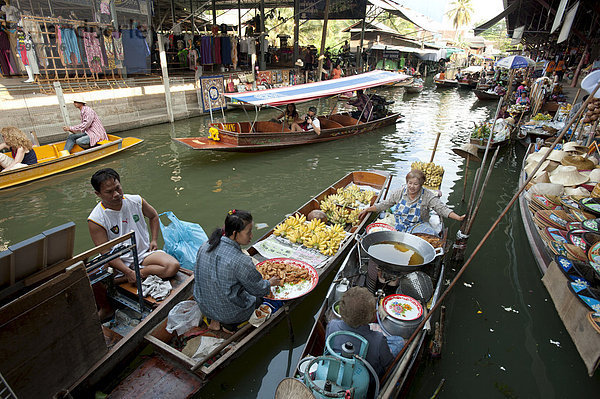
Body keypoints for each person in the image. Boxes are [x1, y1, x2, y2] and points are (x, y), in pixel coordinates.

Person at [88, 168, 180, 285]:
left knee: (173, 266)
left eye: (118, 188)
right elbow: (106, 252)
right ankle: (129, 275)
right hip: (118, 261)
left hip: (142, 254)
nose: (116, 194)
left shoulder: (136, 201)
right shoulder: (96, 219)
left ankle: (133, 275)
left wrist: (154, 240)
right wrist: (126, 271)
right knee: (98, 278)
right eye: (109, 192)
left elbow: (153, 216)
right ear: (98, 194)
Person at [194, 209, 281, 332]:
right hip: (229, 314)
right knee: (263, 298)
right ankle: (229, 325)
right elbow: (259, 289)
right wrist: (270, 282)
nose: (251, 236)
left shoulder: (205, 245)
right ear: (234, 233)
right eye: (248, 232)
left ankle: (214, 320)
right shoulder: (241, 261)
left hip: (205, 307)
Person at [359, 169, 465, 234]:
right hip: (399, 223)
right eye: (410, 183)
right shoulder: (399, 193)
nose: (412, 187)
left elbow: (442, 209)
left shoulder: (427, 195)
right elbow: (384, 204)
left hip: (418, 225)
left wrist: (458, 218)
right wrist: (368, 209)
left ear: (421, 184)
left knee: (431, 236)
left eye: (415, 184)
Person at [325, 287, 399, 377]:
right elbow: (388, 362)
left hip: (337, 369)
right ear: (372, 317)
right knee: (398, 342)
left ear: (341, 311)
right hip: (367, 379)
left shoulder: (332, 325)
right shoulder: (378, 339)